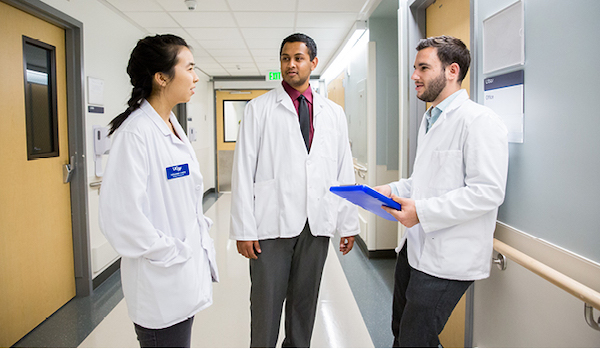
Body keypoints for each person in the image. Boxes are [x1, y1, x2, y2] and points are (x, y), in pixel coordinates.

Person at [374, 36, 509, 347]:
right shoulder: (430, 118)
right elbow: (425, 181)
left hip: (449, 257)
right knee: (402, 333)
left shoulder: (480, 121)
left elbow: (487, 191)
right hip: (414, 250)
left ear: (452, 70)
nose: (414, 76)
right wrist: (390, 189)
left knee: (415, 340)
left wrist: (421, 212)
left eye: (423, 67)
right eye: (414, 68)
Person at [229, 33, 359, 348]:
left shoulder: (333, 113)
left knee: (305, 303)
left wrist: (348, 223)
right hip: (270, 225)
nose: (291, 65)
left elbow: (344, 169)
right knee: (265, 304)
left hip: (316, 224)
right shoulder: (259, 109)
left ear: (313, 63)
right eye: (286, 58)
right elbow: (243, 171)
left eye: (298, 58)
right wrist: (244, 228)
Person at [99, 34, 218, 348]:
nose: (195, 77)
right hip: (161, 281)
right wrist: (172, 252)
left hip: (180, 277)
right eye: (189, 68)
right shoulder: (136, 134)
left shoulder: (170, 126)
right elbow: (120, 219)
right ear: (162, 77)